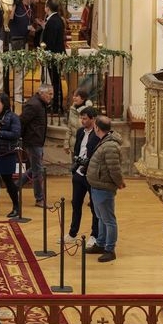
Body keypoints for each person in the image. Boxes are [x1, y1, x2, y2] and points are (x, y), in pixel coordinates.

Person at [86, 115, 126, 263]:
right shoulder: (106, 141)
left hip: (104, 188)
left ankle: (109, 249)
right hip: (98, 186)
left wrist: (120, 182)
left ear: (97, 127)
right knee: (101, 217)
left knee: (108, 220)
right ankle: (100, 244)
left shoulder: (110, 145)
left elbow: (114, 169)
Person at [61, 106, 100, 248]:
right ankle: (72, 233)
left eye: (84, 118)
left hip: (91, 175)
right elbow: (77, 149)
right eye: (81, 118)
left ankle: (94, 235)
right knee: (76, 204)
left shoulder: (97, 134)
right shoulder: (79, 132)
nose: (82, 121)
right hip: (78, 173)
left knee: (94, 207)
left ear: (93, 119)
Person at [16, 84, 52, 208]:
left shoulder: (40, 104)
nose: (51, 97)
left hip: (37, 141)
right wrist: (22, 137)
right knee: (38, 171)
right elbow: (22, 121)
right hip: (33, 141)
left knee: (36, 168)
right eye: (50, 94)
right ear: (42, 93)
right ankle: (39, 199)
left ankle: (15, 186)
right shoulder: (34, 104)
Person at [7, 0, 38, 102]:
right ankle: (9, 93)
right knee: (11, 68)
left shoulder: (30, 8)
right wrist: (14, 4)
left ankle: (18, 94)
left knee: (22, 69)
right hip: (14, 41)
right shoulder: (18, 5)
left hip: (24, 41)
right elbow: (10, 17)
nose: (37, 1)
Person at [39, 0, 66, 113]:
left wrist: (45, 53)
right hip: (56, 54)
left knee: (55, 80)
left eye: (45, 5)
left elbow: (50, 41)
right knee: (56, 80)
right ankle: (56, 104)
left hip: (53, 56)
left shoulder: (53, 21)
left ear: (47, 8)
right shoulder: (57, 19)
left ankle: (56, 106)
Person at [64, 88, 94, 155]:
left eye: (76, 96)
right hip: (74, 146)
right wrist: (66, 143)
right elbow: (69, 127)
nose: (74, 98)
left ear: (83, 98)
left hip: (86, 145)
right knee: (74, 165)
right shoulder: (72, 109)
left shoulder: (89, 110)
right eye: (73, 96)